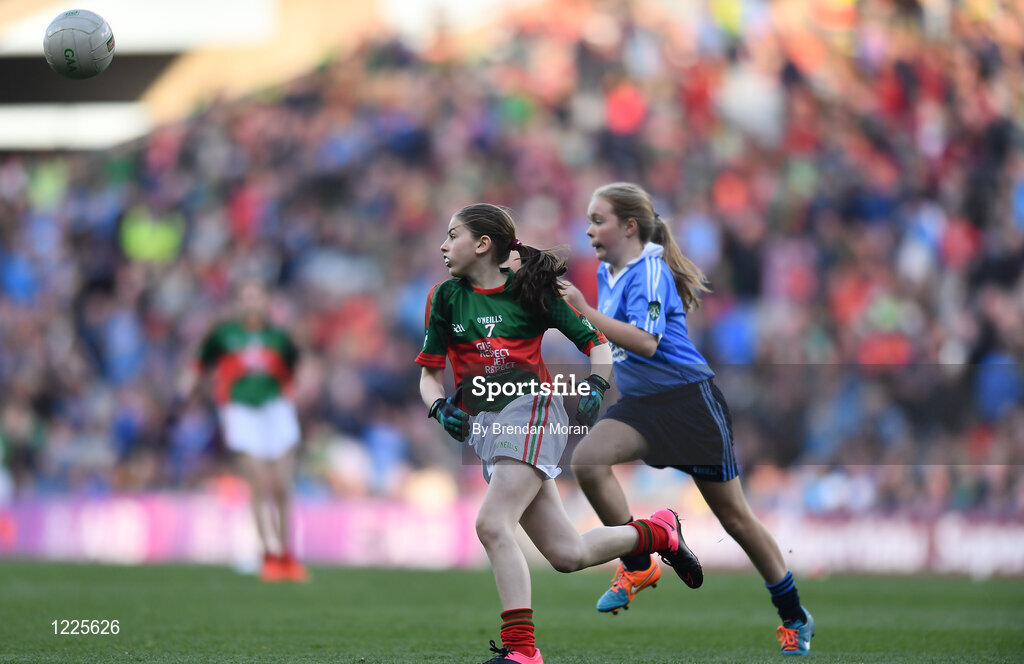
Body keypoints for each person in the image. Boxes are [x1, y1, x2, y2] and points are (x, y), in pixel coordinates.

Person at [416, 203, 692, 664]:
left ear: (483, 245)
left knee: (491, 523)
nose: (443, 246)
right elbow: (428, 376)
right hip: (489, 431)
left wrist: (597, 384)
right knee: (568, 554)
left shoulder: (532, 293)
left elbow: (597, 345)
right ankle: (658, 533)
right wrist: (439, 408)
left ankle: (522, 651)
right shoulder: (443, 299)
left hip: (533, 412)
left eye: (452, 235)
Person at [562, 182, 815, 656]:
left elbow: (645, 342)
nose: (589, 229)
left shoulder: (651, 271)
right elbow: (612, 346)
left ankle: (794, 615)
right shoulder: (605, 271)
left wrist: (586, 312)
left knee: (736, 519)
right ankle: (639, 563)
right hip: (643, 406)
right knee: (589, 462)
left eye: (599, 220)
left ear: (629, 227)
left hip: (689, 405)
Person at [175, 281, 308, 583]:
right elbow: (199, 364)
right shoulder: (224, 335)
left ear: (265, 301)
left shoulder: (279, 337)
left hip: (277, 410)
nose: (252, 302)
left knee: (282, 484)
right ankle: (269, 555)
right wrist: (185, 389)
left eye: (257, 296)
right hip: (241, 411)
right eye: (246, 297)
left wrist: (296, 394)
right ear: (238, 303)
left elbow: (296, 370)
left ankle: (288, 554)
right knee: (259, 483)